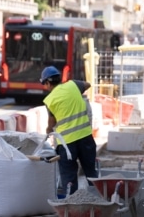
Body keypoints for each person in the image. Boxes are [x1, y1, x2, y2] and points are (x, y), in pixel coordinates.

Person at [40, 66, 97, 195]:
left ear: (48, 83)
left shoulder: (49, 100)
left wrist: (48, 130)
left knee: (69, 177)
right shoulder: (73, 85)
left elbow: (52, 122)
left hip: (66, 144)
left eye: (45, 84)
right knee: (91, 173)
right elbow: (87, 84)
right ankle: (98, 200)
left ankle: (72, 206)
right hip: (85, 137)